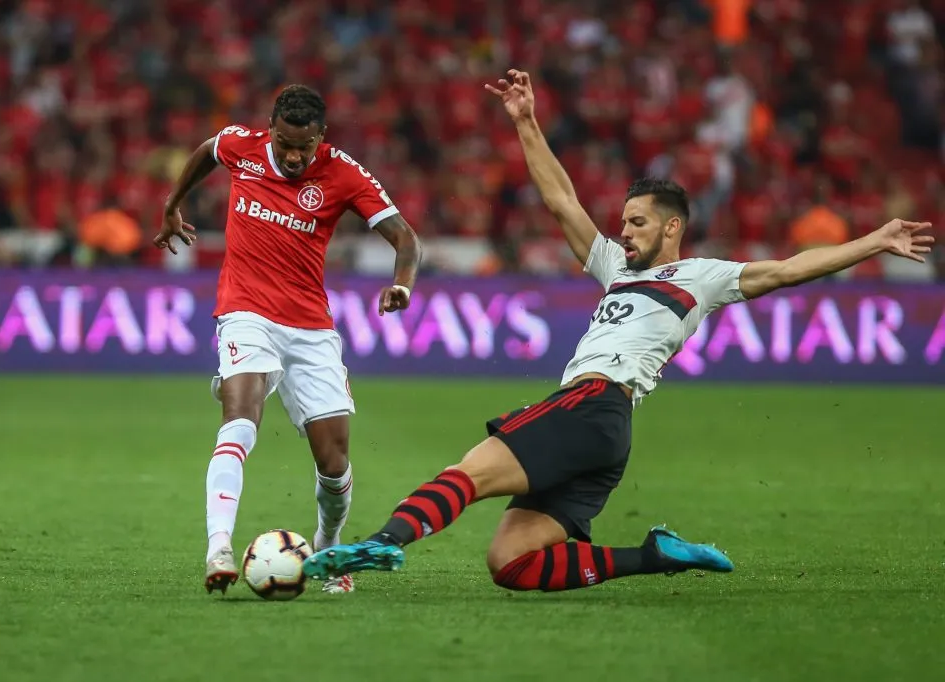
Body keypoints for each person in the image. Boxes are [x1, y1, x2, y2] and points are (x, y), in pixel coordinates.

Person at [302, 70, 935, 593]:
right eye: (623, 221)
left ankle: (381, 544)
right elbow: (561, 202)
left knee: (469, 473)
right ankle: (656, 555)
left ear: (670, 229)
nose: (622, 231)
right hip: (608, 432)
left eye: (635, 223)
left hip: (593, 401)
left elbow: (791, 268)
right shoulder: (615, 271)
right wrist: (526, 122)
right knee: (513, 564)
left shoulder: (702, 276)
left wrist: (875, 240)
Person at [153, 85, 421, 595]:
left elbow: (407, 240)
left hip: (310, 327)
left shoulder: (343, 173)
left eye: (306, 146)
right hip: (244, 311)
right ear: (271, 129)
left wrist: (402, 283)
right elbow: (208, 150)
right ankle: (219, 550)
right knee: (239, 418)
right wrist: (173, 204)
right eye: (285, 144)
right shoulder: (242, 146)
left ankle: (327, 549)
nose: (295, 156)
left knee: (334, 463)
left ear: (321, 136)